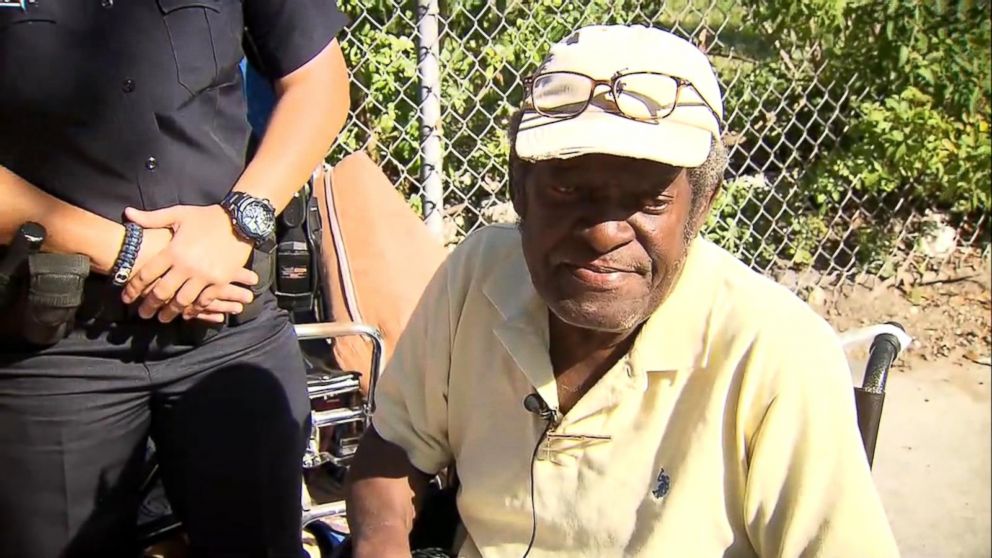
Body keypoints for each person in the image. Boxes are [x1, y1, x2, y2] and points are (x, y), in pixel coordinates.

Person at [345, 24, 899, 557]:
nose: (605, 231)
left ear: (701, 206)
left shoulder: (775, 352)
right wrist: (380, 542)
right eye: (567, 188)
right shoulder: (477, 276)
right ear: (520, 189)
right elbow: (394, 448)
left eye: (649, 200)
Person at [0, 1, 350, 557]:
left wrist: (239, 221)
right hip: (55, 345)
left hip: (229, 323)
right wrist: (123, 250)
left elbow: (318, 82)